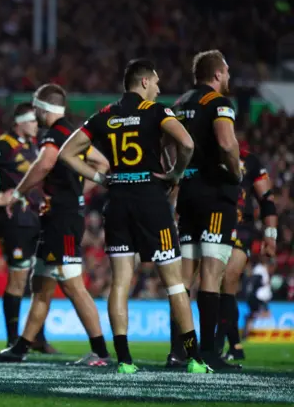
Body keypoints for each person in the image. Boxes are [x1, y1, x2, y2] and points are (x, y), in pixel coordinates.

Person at [58, 59, 211, 374]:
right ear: (143, 83)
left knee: (120, 284)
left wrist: (100, 179)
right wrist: (176, 173)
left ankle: (125, 361)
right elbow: (186, 142)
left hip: (118, 202)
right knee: (174, 284)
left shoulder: (104, 115)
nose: (158, 88)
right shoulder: (157, 111)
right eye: (155, 82)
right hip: (150, 201)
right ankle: (194, 359)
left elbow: (66, 153)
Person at [0, 84, 111, 366]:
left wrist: (18, 192)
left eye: (36, 109)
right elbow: (101, 162)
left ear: (44, 109)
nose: (36, 114)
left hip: (62, 219)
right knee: (41, 284)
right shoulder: (73, 132)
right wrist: (79, 192)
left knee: (72, 285)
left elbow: (44, 164)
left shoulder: (55, 134)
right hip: (60, 214)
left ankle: (101, 352)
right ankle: (21, 347)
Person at [169, 50, 243, 370]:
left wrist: (174, 176)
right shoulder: (220, 104)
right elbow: (226, 143)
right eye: (226, 72)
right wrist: (236, 172)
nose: (228, 77)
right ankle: (210, 352)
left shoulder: (179, 103)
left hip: (187, 193)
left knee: (184, 277)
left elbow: (165, 146)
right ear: (216, 75)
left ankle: (178, 352)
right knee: (212, 274)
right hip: (215, 194)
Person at [0, 103, 55, 353]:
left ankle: (37, 336)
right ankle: (13, 339)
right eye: (33, 121)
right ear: (20, 122)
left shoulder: (37, 145)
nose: (37, 125)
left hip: (39, 219)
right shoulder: (3, 145)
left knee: (40, 280)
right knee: (18, 278)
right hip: (15, 221)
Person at [215, 148, 277, 361]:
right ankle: (235, 346)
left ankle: (216, 347)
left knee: (228, 279)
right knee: (220, 287)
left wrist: (270, 235)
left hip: (241, 228)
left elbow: (267, 198)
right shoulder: (209, 154)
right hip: (214, 225)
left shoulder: (250, 159)